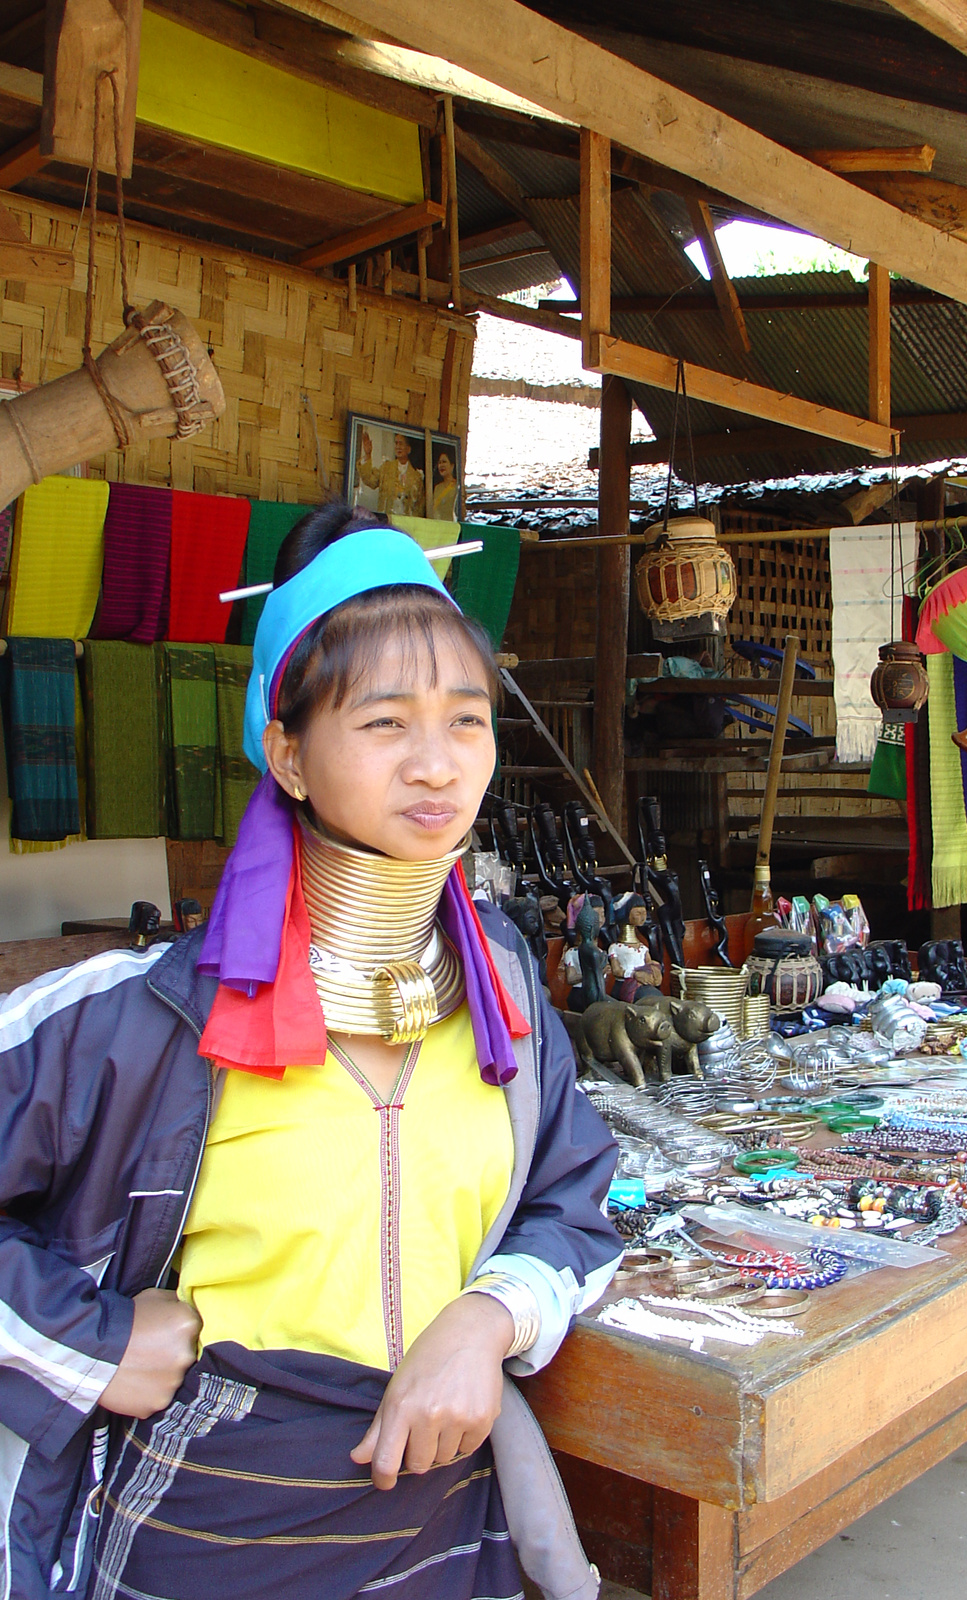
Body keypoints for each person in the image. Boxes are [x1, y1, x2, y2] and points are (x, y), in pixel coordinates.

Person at [0, 505, 620, 1600]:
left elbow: (574, 1204)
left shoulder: (507, 990)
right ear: (286, 752)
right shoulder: (142, 1017)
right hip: (208, 1526)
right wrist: (86, 1341)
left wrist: (489, 1317)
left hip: (439, 1527)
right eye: (383, 723)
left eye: (466, 721)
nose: (436, 765)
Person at [359, 430, 426, 516]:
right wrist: (368, 454)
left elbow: (419, 509)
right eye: (396, 443)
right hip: (387, 521)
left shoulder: (416, 477)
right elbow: (370, 481)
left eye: (401, 444)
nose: (398, 447)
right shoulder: (386, 468)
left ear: (408, 449)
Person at [432, 448, 460, 521]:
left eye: (444, 462)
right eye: (439, 462)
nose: (441, 465)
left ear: (452, 466)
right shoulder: (437, 488)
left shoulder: (457, 486)